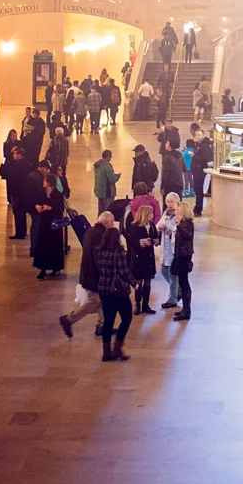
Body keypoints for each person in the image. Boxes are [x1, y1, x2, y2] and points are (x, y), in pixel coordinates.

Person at [58, 209, 114, 338]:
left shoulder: (91, 231)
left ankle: (102, 325)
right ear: (106, 222)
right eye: (111, 222)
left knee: (103, 300)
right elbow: (99, 257)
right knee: (93, 301)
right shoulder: (100, 236)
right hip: (94, 275)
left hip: (88, 273)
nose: (112, 225)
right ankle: (69, 319)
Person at [94, 221, 135, 361]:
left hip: (103, 289)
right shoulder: (118, 252)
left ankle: (106, 352)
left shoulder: (98, 251)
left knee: (108, 320)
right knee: (127, 317)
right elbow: (124, 271)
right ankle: (117, 348)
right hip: (117, 290)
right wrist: (134, 283)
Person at [171, 200, 196, 321]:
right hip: (181, 254)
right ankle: (185, 308)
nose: (175, 212)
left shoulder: (187, 223)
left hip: (184, 255)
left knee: (184, 282)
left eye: (177, 210)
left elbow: (187, 235)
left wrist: (179, 225)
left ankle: (187, 310)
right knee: (182, 281)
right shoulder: (183, 223)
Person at [93, 148, 120, 216]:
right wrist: (118, 176)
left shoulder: (97, 165)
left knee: (101, 210)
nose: (110, 159)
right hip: (107, 192)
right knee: (108, 211)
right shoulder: (107, 166)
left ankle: (100, 223)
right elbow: (112, 179)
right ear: (108, 156)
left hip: (100, 191)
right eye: (110, 157)